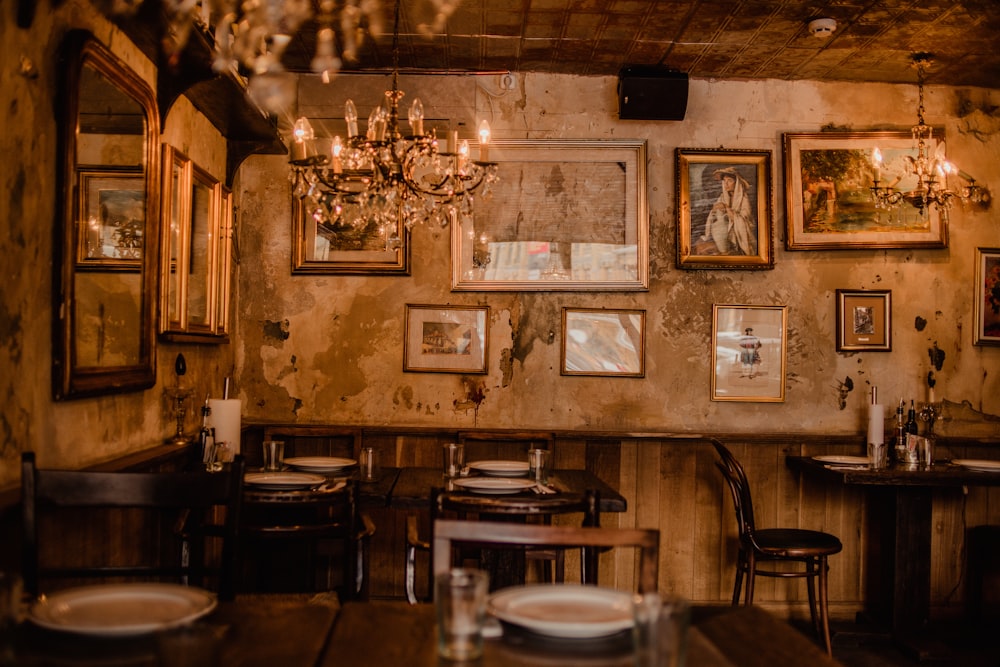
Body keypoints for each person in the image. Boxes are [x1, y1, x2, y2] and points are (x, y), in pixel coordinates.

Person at [701, 167, 756, 256]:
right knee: (719, 226)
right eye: (724, 181)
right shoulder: (723, 196)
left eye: (729, 181)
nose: (726, 184)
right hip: (726, 230)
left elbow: (744, 220)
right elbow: (714, 213)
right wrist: (715, 209)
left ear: (736, 183)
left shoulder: (744, 199)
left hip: (740, 232)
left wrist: (726, 208)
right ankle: (723, 248)